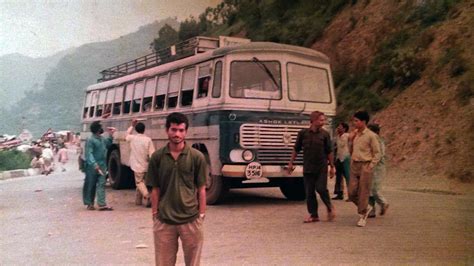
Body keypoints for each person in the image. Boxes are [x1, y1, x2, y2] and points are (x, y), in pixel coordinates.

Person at [146, 112, 207, 266]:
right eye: (173, 130)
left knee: (193, 263)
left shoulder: (196, 157)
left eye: (181, 130)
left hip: (191, 220)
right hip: (164, 221)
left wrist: (201, 214)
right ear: (167, 130)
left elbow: (201, 188)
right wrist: (155, 214)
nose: (177, 134)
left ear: (186, 132)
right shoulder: (157, 157)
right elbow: (155, 188)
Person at [287, 111, 336, 223]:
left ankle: (329, 207)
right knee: (309, 192)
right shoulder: (303, 133)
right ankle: (314, 215)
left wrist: (332, 167)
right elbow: (296, 149)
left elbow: (329, 151)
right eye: (321, 120)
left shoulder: (325, 134)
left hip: (321, 167)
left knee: (321, 188)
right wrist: (291, 163)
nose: (323, 122)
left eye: (324, 120)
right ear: (313, 121)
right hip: (308, 167)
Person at [348, 111, 381, 227]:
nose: (354, 123)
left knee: (363, 192)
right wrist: (350, 140)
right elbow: (350, 150)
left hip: (365, 165)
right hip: (354, 165)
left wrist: (371, 166)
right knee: (351, 193)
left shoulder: (371, 136)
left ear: (363, 122)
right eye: (354, 120)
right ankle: (366, 207)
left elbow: (377, 153)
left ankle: (362, 216)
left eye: (356, 121)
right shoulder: (354, 134)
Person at [82, 121, 116, 211]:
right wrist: (94, 164)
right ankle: (89, 203)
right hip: (92, 167)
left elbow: (108, 144)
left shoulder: (101, 139)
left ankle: (102, 204)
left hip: (102, 165)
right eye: (100, 127)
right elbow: (89, 154)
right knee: (91, 184)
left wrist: (111, 135)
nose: (102, 129)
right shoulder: (90, 140)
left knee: (101, 183)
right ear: (97, 129)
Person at [126, 119, 155, 207]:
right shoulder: (148, 140)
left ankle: (147, 196)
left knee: (139, 182)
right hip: (146, 165)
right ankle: (138, 201)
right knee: (143, 183)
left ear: (136, 130)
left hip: (136, 165)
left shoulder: (132, 138)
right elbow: (152, 154)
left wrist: (132, 125)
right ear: (144, 130)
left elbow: (127, 135)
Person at [367, 123, 389, 218]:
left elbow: (379, 155)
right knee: (368, 189)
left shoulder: (379, 141)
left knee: (374, 189)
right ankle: (371, 210)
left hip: (377, 168)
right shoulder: (370, 140)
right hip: (369, 167)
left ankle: (383, 203)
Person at [333, 122, 351, 200]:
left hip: (345, 157)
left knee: (348, 176)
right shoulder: (338, 137)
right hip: (339, 158)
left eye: (340, 127)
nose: (338, 128)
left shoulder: (347, 136)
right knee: (338, 177)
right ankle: (339, 194)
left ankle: (351, 195)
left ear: (344, 128)